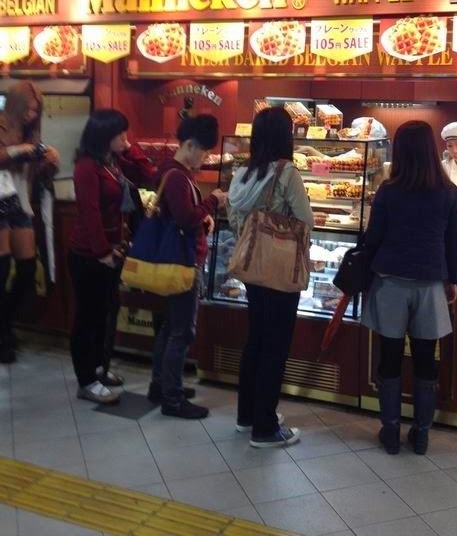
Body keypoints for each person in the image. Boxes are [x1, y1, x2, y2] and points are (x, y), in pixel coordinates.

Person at [362, 121, 457, 456]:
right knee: (425, 359)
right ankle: (421, 435)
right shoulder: (447, 191)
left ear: (401, 151)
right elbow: (453, 240)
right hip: (430, 283)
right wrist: (454, 280)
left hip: (390, 282)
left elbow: (374, 237)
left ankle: (390, 431)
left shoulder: (389, 191)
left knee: (390, 357)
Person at [228, 107, 313, 448]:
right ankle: (265, 428)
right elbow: (305, 220)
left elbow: (235, 220)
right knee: (275, 347)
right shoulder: (286, 172)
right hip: (278, 269)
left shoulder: (243, 172)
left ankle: (247, 415)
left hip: (252, 267)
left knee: (256, 341)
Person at [69, 109, 156, 404]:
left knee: (105, 314)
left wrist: (130, 149)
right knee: (88, 318)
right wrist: (102, 251)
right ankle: (86, 381)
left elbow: (148, 176)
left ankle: (98, 369)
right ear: (104, 135)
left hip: (112, 251)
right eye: (120, 134)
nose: (124, 138)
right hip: (89, 254)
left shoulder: (112, 161)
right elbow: (90, 213)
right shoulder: (86, 166)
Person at [150, 114, 227, 419]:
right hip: (183, 261)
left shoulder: (174, 172)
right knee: (182, 331)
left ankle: (162, 385)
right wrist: (213, 202)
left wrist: (202, 215)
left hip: (176, 258)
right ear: (191, 145)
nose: (205, 157)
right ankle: (172, 398)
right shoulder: (178, 176)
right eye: (205, 151)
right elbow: (184, 218)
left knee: (171, 326)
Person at [0, 81, 60, 364]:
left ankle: (5, 323)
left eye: (36, 110)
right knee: (1, 269)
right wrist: (22, 149)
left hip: (19, 203)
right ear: (17, 105)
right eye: (29, 109)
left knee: (27, 268)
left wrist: (50, 161)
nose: (32, 115)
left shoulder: (30, 133)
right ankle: (3, 334)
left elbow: (35, 173)